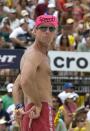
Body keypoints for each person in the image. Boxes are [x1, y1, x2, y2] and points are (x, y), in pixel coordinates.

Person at [12, 14, 58, 131]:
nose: (47, 31)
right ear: (34, 31)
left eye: (51, 28)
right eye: (43, 28)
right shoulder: (35, 54)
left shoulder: (37, 54)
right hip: (39, 110)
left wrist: (18, 107)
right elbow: (25, 81)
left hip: (32, 110)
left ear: (55, 32)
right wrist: (38, 104)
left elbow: (17, 86)